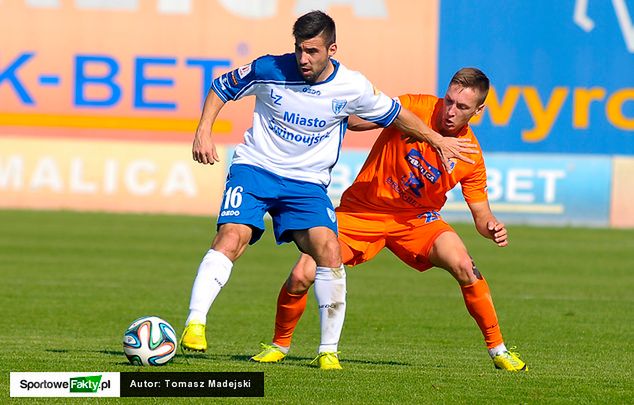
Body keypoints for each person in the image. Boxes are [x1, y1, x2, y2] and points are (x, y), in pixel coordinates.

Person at [180, 11, 478, 370]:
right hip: (256, 169)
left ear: (331, 50)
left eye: (312, 52)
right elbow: (221, 87)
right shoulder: (268, 68)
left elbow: (397, 114)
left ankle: (327, 352)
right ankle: (195, 323)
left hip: (306, 184)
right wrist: (203, 131)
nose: (303, 59)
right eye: (299, 50)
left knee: (328, 251)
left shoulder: (352, 86)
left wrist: (436, 139)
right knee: (232, 237)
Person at [251, 67, 528, 371]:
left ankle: (498, 350)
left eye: (462, 107)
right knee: (302, 273)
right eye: (449, 100)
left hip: (416, 221)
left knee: (465, 265)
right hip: (362, 212)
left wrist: (491, 227)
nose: (450, 110)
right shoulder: (416, 107)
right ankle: (279, 345)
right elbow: (357, 121)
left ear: (479, 110)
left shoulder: (470, 155)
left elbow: (481, 213)